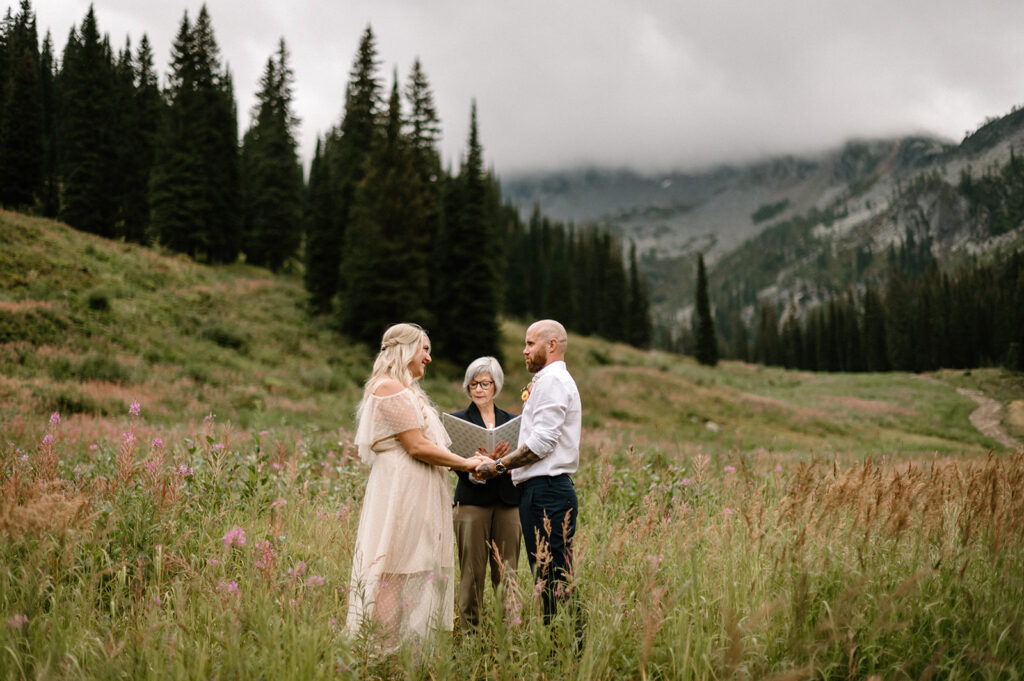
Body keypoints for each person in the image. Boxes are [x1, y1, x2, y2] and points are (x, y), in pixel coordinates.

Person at [345, 323, 489, 646]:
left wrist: (474, 460)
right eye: (424, 349)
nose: (429, 357)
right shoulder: (388, 388)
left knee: (407, 569)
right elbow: (417, 446)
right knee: (394, 570)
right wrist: (466, 464)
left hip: (413, 492)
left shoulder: (402, 389)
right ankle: (381, 651)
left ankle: (395, 650)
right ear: (405, 349)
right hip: (402, 493)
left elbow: (428, 446)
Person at [474, 320, 581, 624]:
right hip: (545, 491)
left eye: (531, 343)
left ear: (552, 345)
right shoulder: (550, 380)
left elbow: (542, 444)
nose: (524, 350)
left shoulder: (552, 381)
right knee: (550, 574)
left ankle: (565, 648)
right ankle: (559, 645)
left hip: (546, 491)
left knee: (552, 577)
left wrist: (498, 466)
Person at [449, 356, 521, 630]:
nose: (478, 389)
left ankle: (511, 633)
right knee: (471, 572)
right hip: (472, 502)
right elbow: (453, 462)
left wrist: (503, 465)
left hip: (508, 502)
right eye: (473, 384)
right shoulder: (457, 421)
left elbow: (523, 459)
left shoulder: (512, 422)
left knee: (507, 572)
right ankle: (469, 633)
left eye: (485, 383)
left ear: (496, 386)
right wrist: (479, 465)